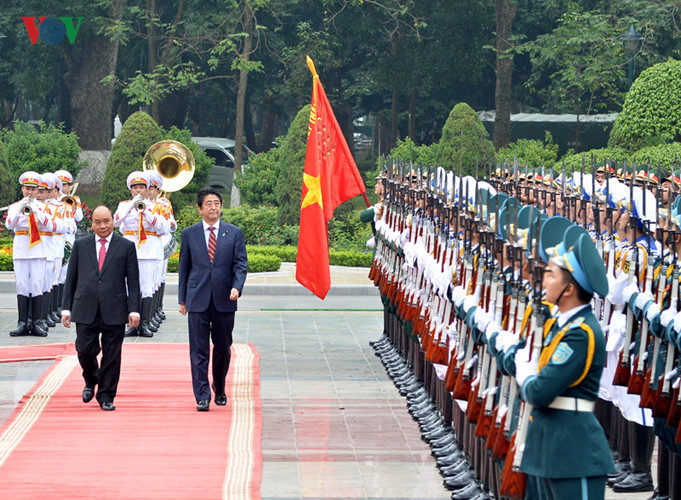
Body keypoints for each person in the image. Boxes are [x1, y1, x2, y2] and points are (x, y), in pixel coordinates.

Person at [514, 229, 616, 499]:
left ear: (569, 288)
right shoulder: (564, 326)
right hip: (551, 447)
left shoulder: (580, 334)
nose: (544, 279)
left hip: (574, 451)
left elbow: (540, 391)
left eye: (551, 275)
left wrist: (525, 375)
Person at [61, 206, 141, 411]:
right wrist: (66, 309)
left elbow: (133, 280)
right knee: (84, 350)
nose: (103, 226)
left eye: (106, 221)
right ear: (92, 224)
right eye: (98, 222)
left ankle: (106, 395)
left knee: (112, 355)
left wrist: (134, 310)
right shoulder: (81, 245)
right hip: (85, 306)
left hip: (115, 307)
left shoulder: (126, 246)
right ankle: (91, 378)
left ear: (113, 221)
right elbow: (71, 278)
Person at [178, 187, 248, 412]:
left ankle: (219, 386)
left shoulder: (233, 233)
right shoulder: (189, 234)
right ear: (200, 208)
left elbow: (240, 264)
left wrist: (237, 287)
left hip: (224, 299)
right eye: (208, 204)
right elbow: (184, 269)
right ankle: (202, 395)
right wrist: (182, 299)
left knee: (222, 348)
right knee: (198, 349)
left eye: (216, 203)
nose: (213, 207)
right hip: (197, 298)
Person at [113, 171, 168, 337]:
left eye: (141, 188)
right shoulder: (124, 206)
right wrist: (132, 206)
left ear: (147, 189)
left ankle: (144, 323)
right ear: (130, 190)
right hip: (129, 249)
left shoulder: (157, 206)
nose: (138, 191)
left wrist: (147, 213)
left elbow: (164, 229)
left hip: (148, 250)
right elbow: (115, 221)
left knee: (146, 288)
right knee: (129, 288)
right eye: (135, 188)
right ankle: (131, 324)